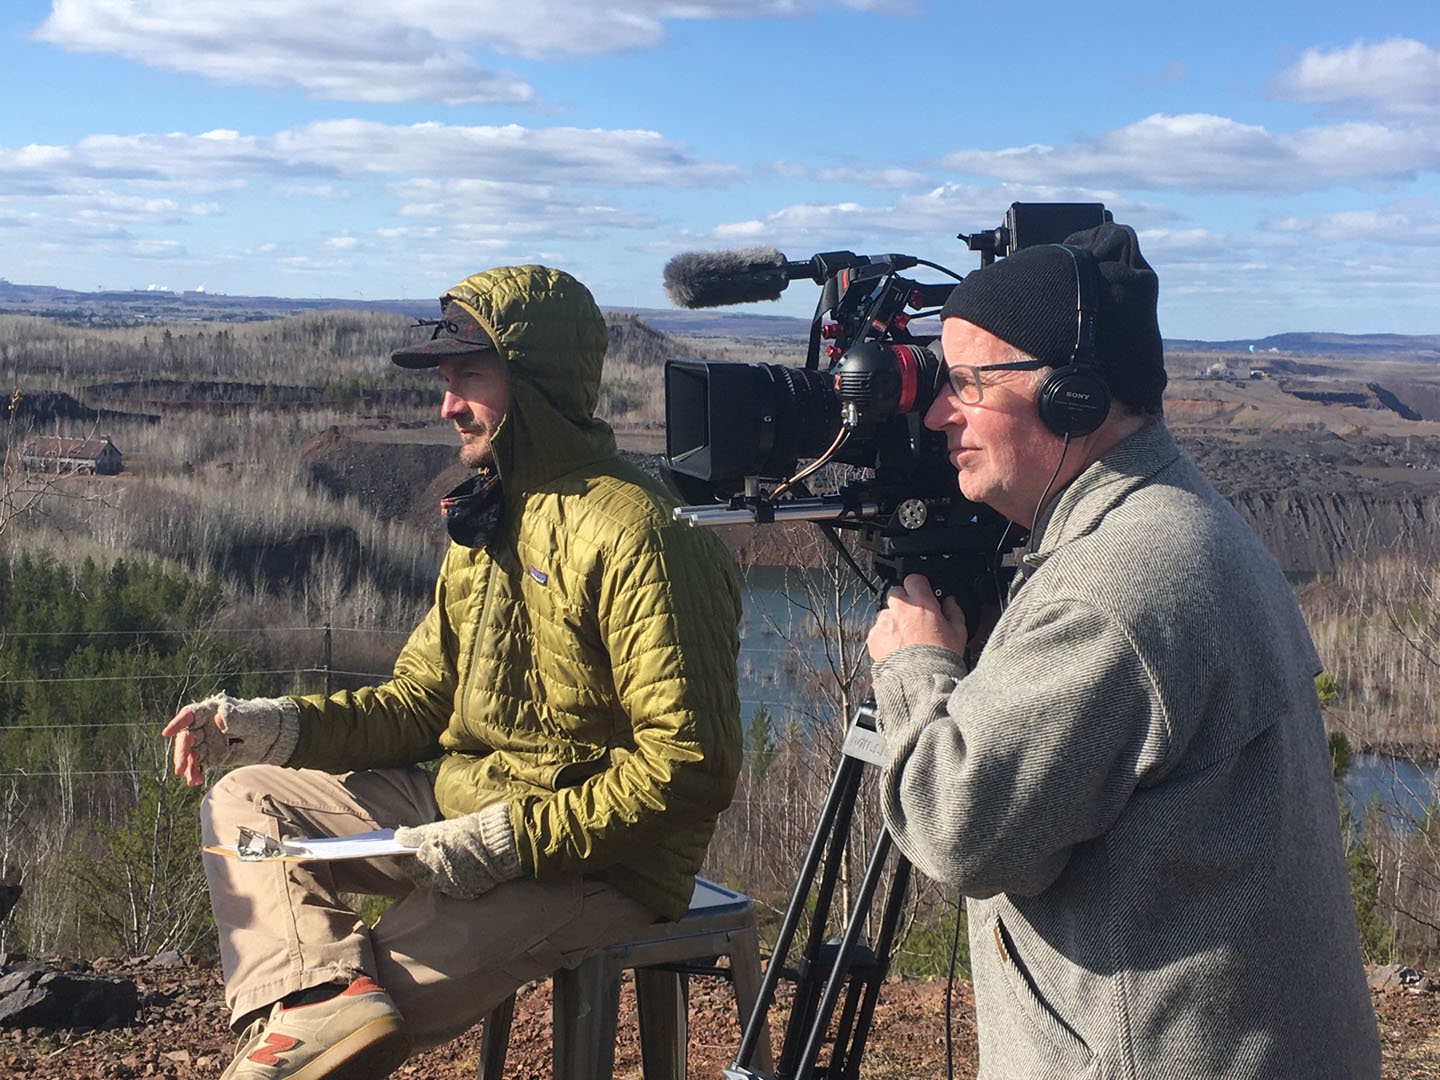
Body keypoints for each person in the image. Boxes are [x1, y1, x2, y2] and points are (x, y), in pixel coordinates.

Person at [163, 265, 744, 1080]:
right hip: (466, 801)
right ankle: (313, 1009)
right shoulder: (490, 515)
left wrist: (514, 841)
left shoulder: (641, 536)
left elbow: (689, 770)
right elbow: (419, 702)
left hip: (603, 859)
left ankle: (309, 1025)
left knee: (364, 1003)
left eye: (469, 375)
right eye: (445, 380)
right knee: (247, 802)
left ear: (535, 382)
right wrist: (275, 725)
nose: (447, 405)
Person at [865, 223, 1381, 1078]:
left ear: (1072, 397)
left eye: (965, 383)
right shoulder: (1178, 517)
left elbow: (958, 830)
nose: (936, 413)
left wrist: (916, 665)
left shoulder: (1109, 589)